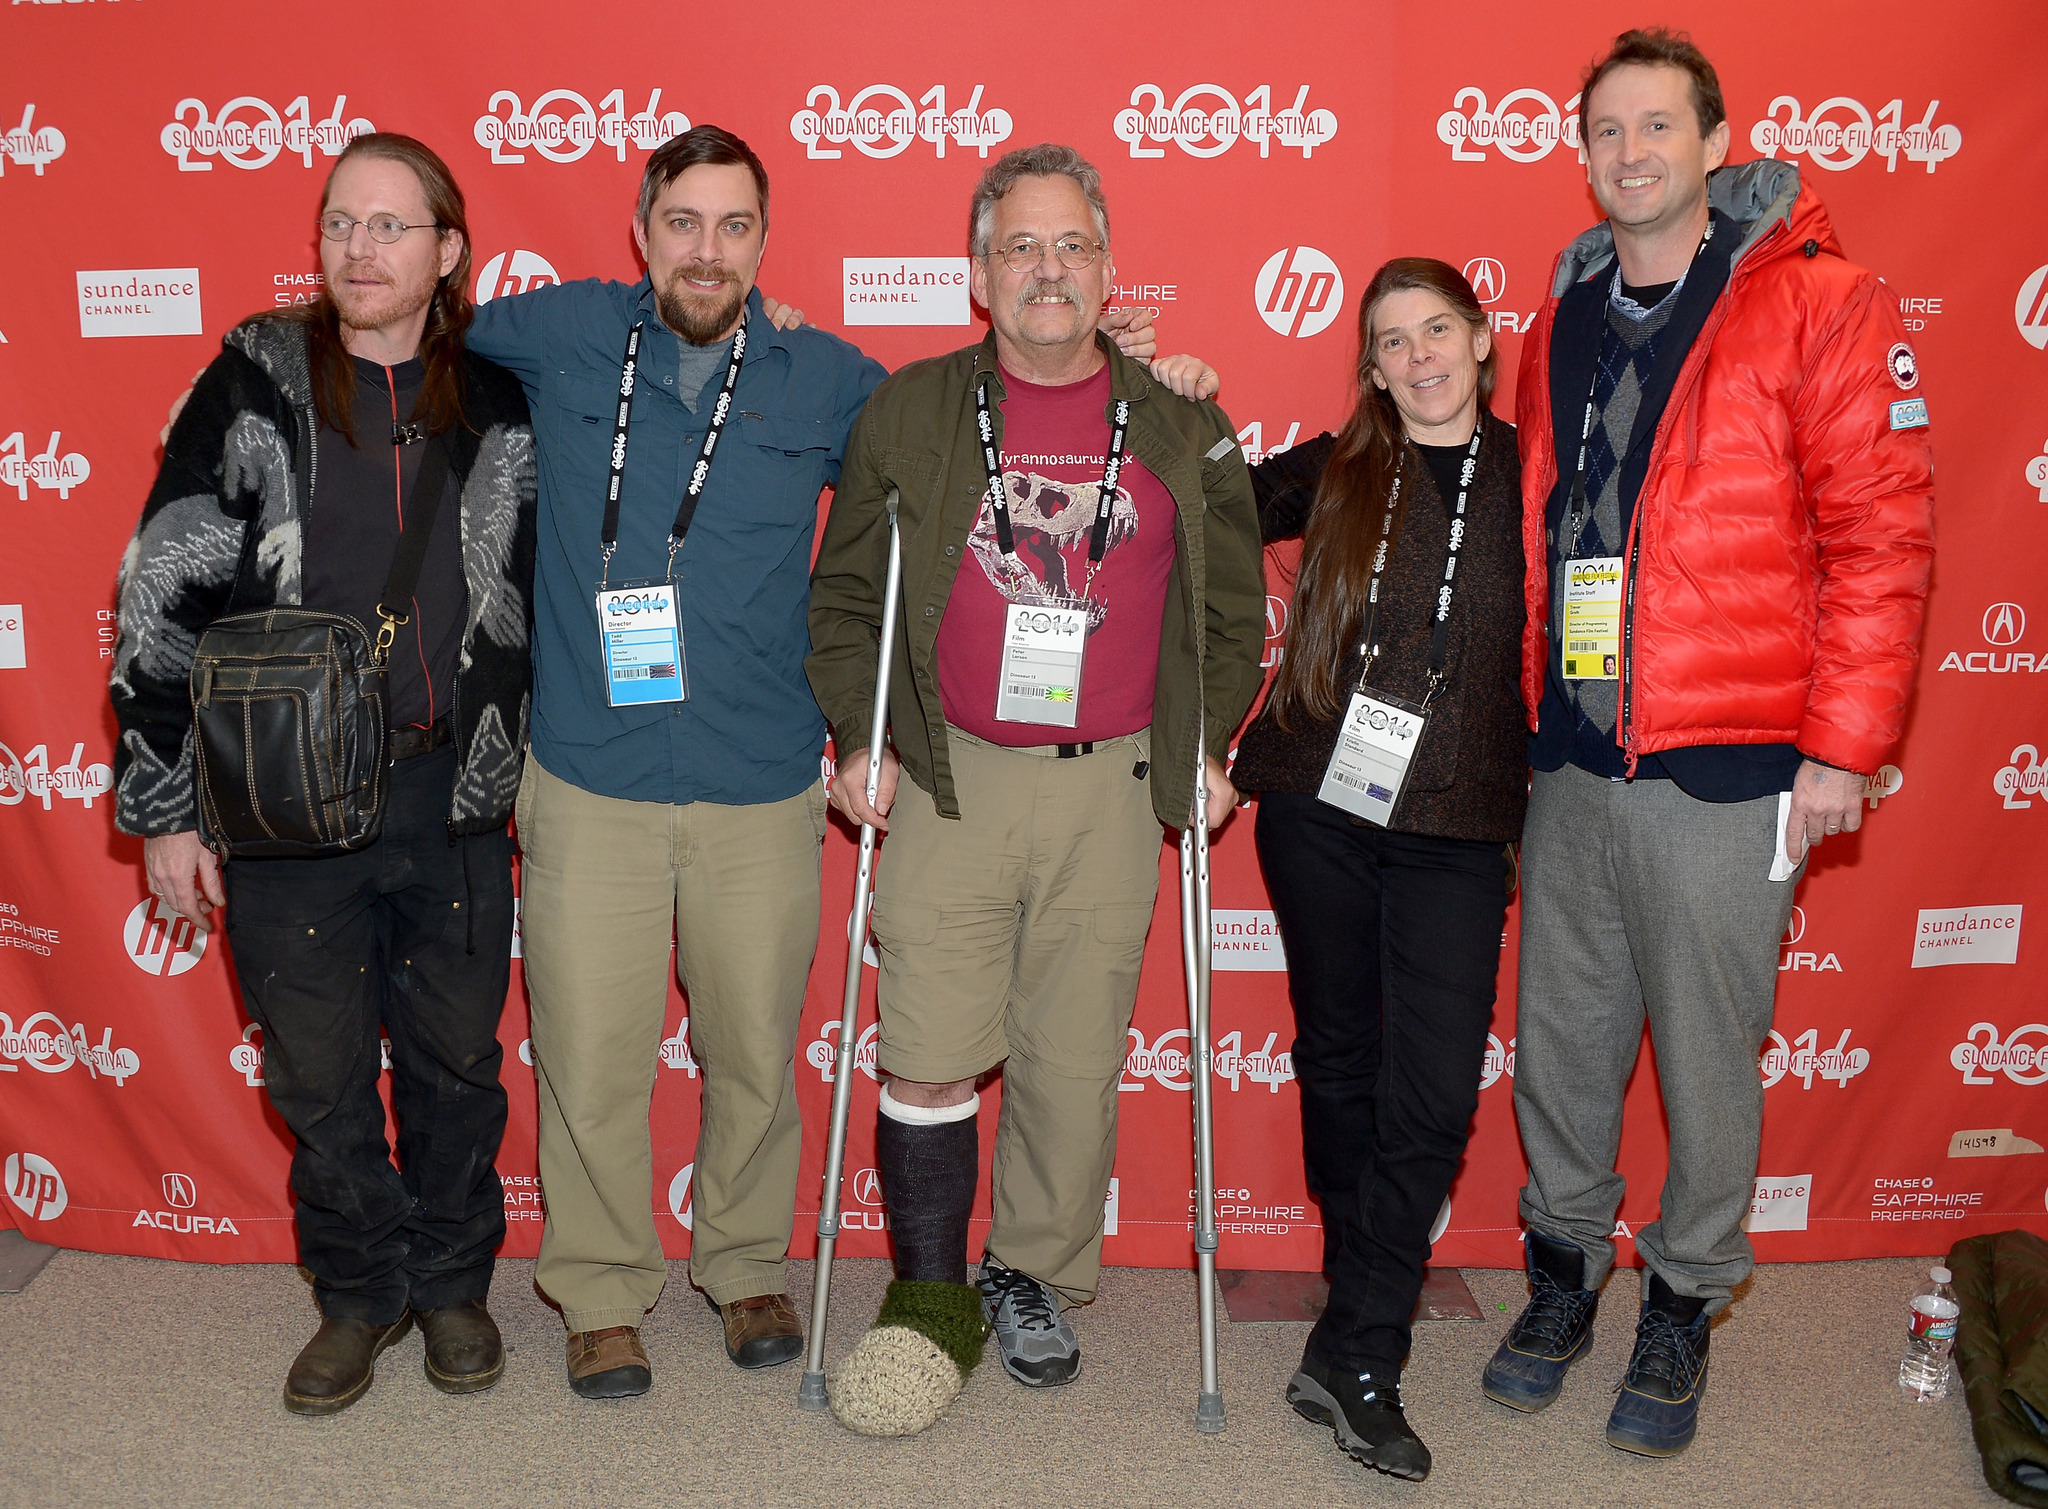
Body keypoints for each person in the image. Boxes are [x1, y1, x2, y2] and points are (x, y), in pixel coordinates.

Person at [461, 125, 1185, 1399]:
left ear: (762, 241)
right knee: (586, 1055)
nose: (706, 249)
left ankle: (743, 1267)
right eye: (682, 222)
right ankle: (599, 1294)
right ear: (641, 230)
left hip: (758, 773)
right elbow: (417, 324)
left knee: (752, 1050)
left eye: (734, 227)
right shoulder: (558, 333)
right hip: (588, 773)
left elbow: (980, 416)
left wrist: (1161, 390)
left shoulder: (823, 376)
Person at [1481, 28, 1934, 1457]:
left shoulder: (1821, 302)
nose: (1631, 153)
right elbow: (1546, 531)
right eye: (1606, 130)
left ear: (1716, 141)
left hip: (1734, 761)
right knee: (1561, 1043)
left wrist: (1843, 746)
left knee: (1708, 1059)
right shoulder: (1557, 319)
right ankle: (1563, 1275)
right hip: (1573, 749)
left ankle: (1684, 1295)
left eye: (1657, 127)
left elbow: (1882, 536)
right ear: (1585, 153)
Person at [805, 142, 1264, 1437]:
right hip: (953, 774)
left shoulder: (1181, 418)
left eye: (1071, 247)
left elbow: (1231, 609)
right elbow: (848, 595)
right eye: (1020, 247)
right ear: (977, 273)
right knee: (932, 1050)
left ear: (1107, 266)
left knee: (1069, 1061)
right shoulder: (912, 407)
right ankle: (932, 1291)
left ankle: (1030, 1274)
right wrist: (860, 730)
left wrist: (1210, 741)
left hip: (1114, 783)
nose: (1048, 271)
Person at [110, 133, 538, 1415]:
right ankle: (356, 1296)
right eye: (340, 223)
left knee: (457, 1061)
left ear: (447, 253)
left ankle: (454, 1285)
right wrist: (164, 806)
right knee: (315, 1066)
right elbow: (160, 587)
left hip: (453, 791)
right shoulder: (252, 381)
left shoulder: (500, 402)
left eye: (391, 227)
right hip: (277, 797)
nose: (360, 248)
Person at [1230, 259, 1527, 1481]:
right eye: (1390, 341)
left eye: (1435, 331)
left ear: (1479, 341)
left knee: (1437, 1089)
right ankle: (1361, 1347)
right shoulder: (1342, 464)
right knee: (1340, 1056)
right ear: (1370, 365)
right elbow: (1203, 509)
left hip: (1458, 819)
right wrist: (1161, 388)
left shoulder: (1539, 470)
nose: (1415, 357)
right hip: (1317, 801)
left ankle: (1356, 1331)